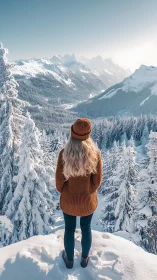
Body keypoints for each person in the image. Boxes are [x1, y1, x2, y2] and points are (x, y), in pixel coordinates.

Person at [55, 118, 102, 269]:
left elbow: (59, 182)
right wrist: (88, 192)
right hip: (87, 201)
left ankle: (69, 261)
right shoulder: (95, 154)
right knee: (86, 228)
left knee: (69, 229)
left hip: (69, 200)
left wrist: (66, 191)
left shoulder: (64, 154)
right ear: (89, 135)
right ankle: (84, 259)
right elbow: (97, 182)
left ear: (72, 133)